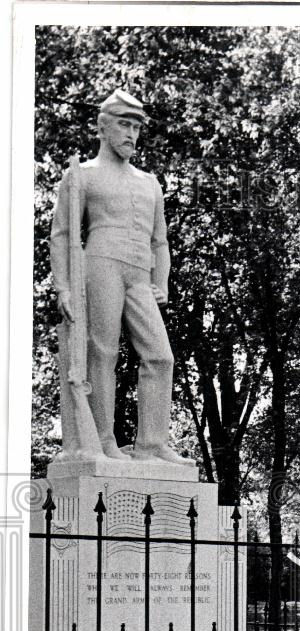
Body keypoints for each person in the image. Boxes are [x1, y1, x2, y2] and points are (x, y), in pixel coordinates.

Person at [50, 88, 193, 465]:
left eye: (136, 127)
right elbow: (63, 234)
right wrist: (63, 286)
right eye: (123, 124)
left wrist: (161, 281)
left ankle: (151, 443)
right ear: (102, 126)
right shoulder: (83, 175)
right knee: (103, 352)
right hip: (101, 263)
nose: (131, 133)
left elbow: (160, 241)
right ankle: (103, 441)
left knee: (161, 357)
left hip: (139, 273)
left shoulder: (150, 183)